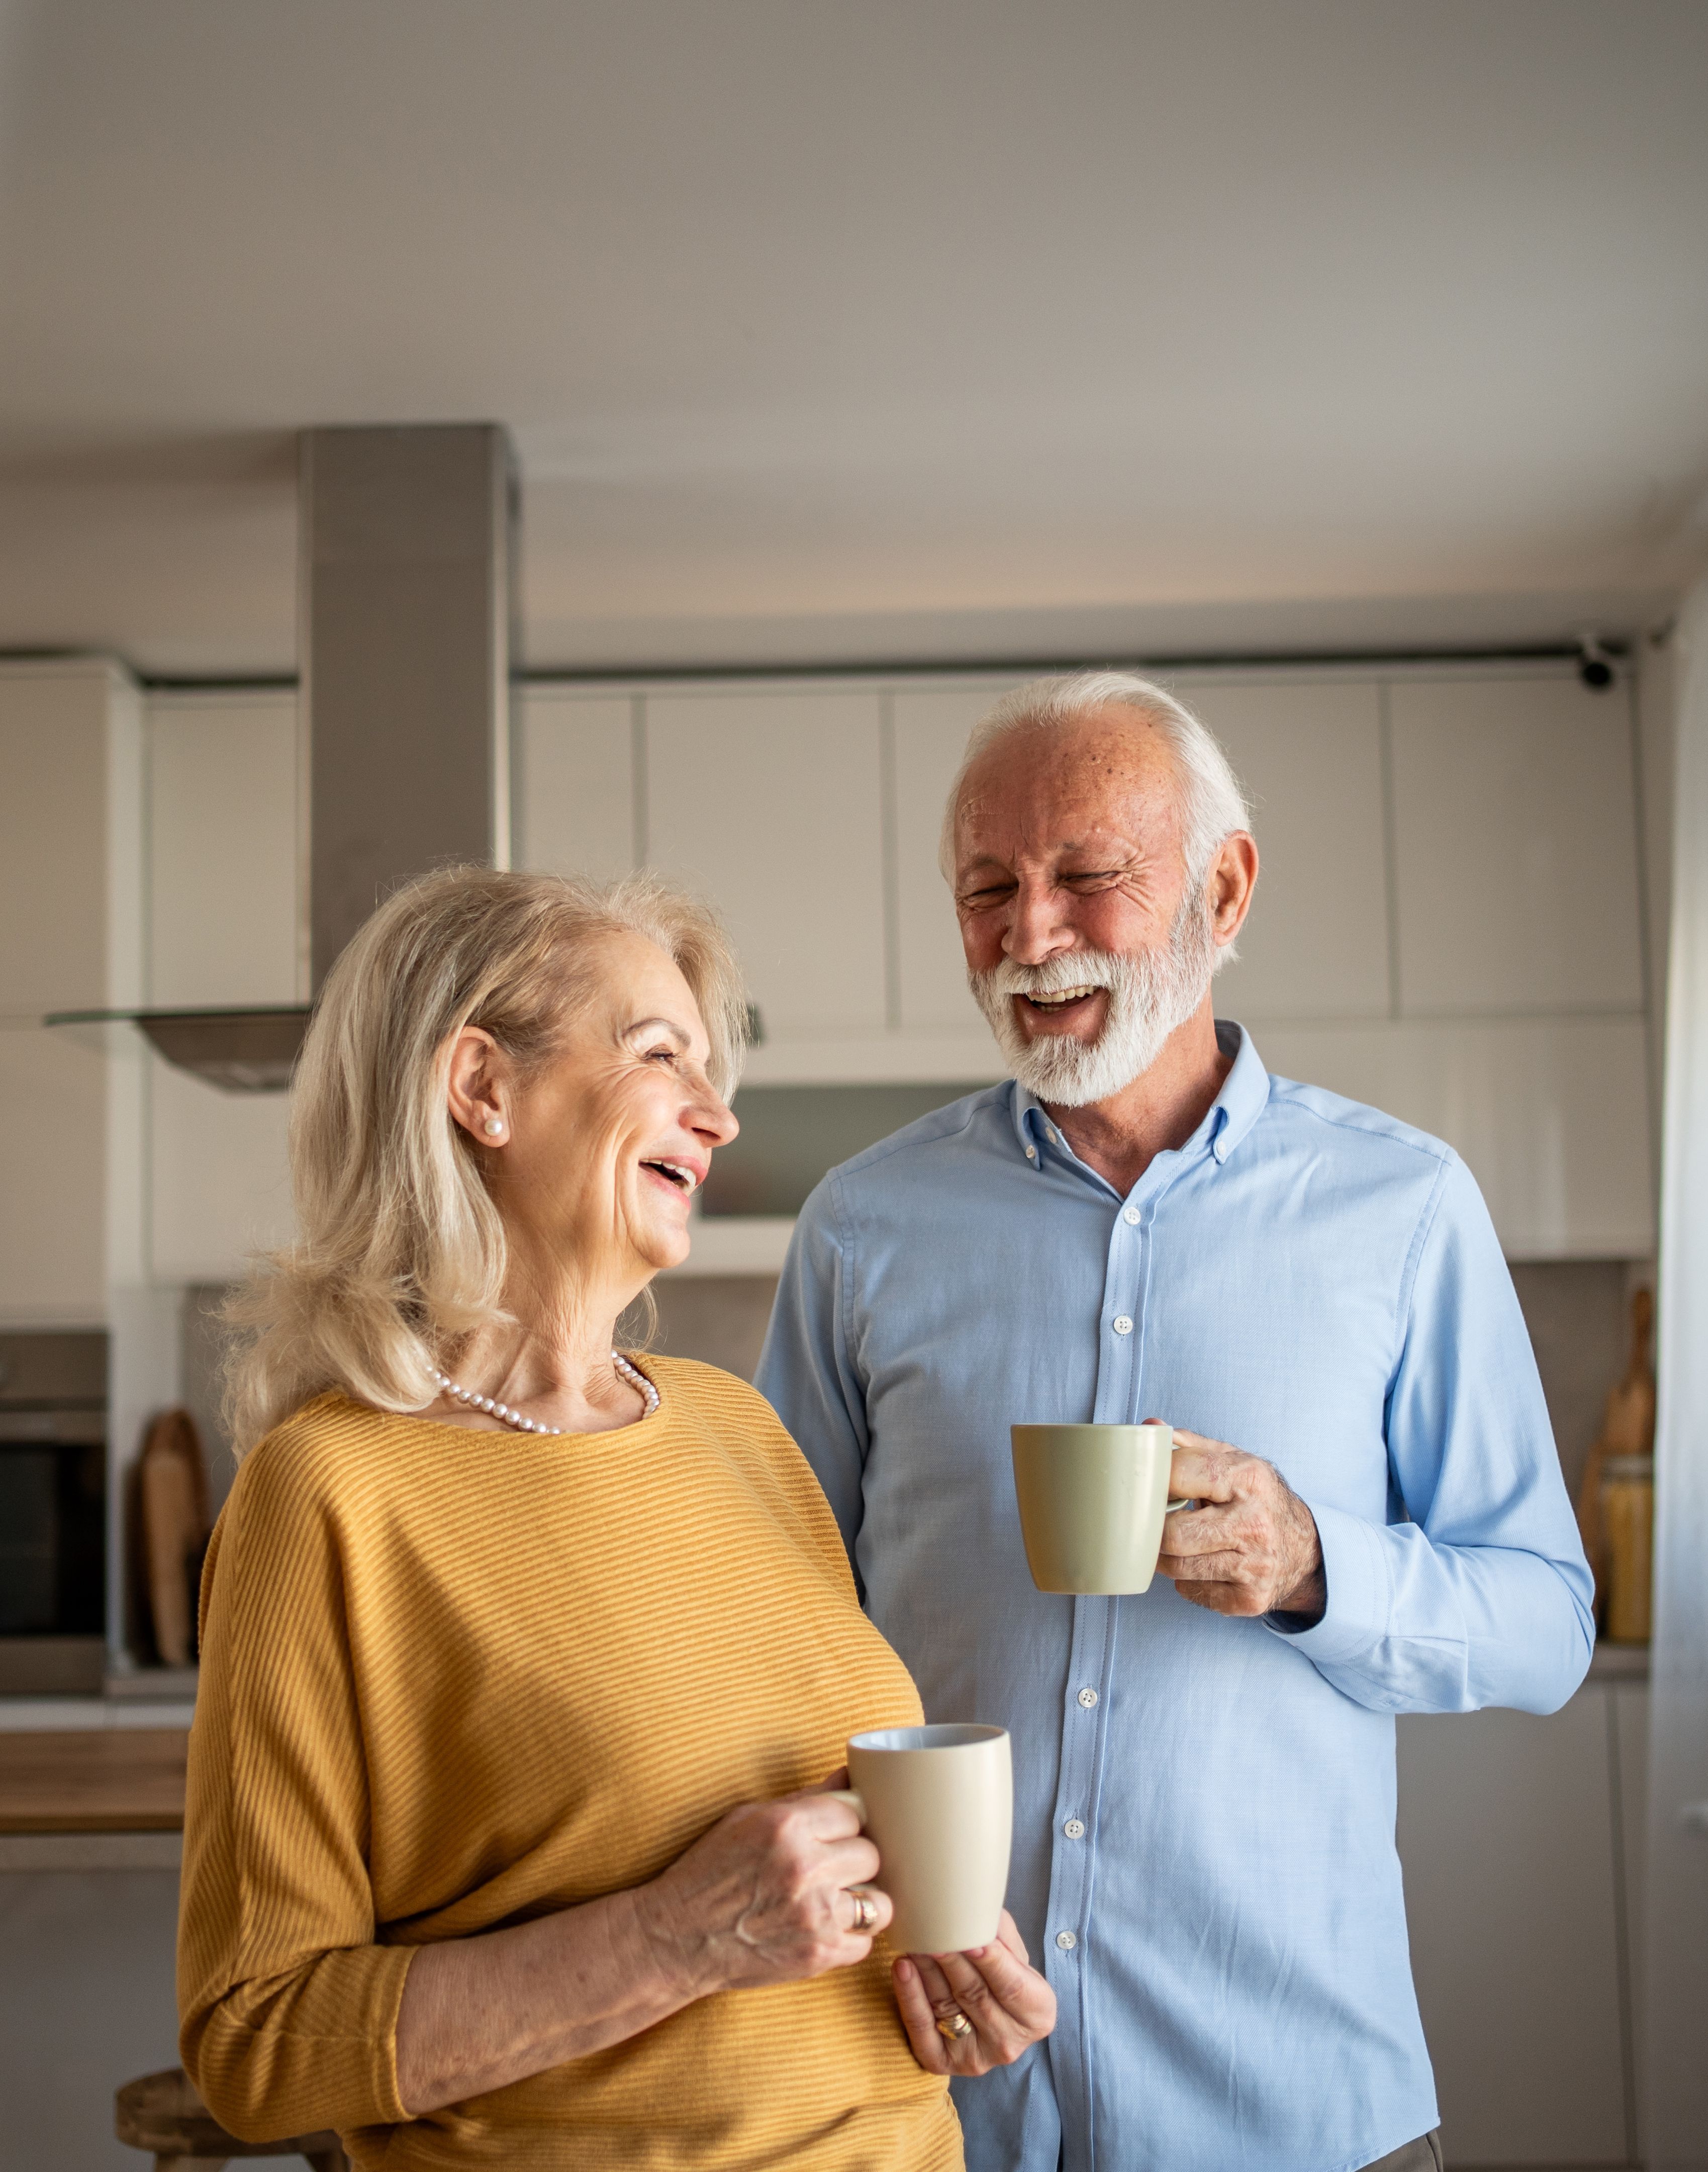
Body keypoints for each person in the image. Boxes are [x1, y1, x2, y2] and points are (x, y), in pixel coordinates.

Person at [758, 672, 1594, 2172]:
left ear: (1225, 886)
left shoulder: (1401, 1209)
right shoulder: (862, 1228)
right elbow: (767, 1637)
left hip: (1291, 2104)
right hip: (920, 2099)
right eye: (986, 890)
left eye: (1088, 878)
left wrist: (1315, 1567)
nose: (1030, 935)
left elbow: (1545, 1625)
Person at [178, 866, 1053, 2172]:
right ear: (483, 1088)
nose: (716, 1118)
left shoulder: (735, 1428)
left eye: (714, 1074)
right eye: (661, 1057)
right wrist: (670, 1938)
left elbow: (786, 1901)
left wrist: (922, 1975)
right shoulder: (327, 1497)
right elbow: (256, 2044)